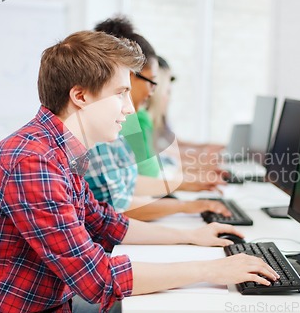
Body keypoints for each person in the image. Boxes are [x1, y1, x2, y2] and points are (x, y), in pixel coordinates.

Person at [0, 30, 278, 313]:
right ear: (80, 96)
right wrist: (213, 269)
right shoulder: (34, 162)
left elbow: (105, 222)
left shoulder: (60, 151)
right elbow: (98, 280)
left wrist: (191, 236)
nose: (130, 108)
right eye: (120, 93)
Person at [85, 16, 229, 221]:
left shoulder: (119, 123)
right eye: (152, 82)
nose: (154, 92)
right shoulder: (107, 128)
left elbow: (128, 181)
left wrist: (189, 185)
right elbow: (122, 203)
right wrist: (186, 204)